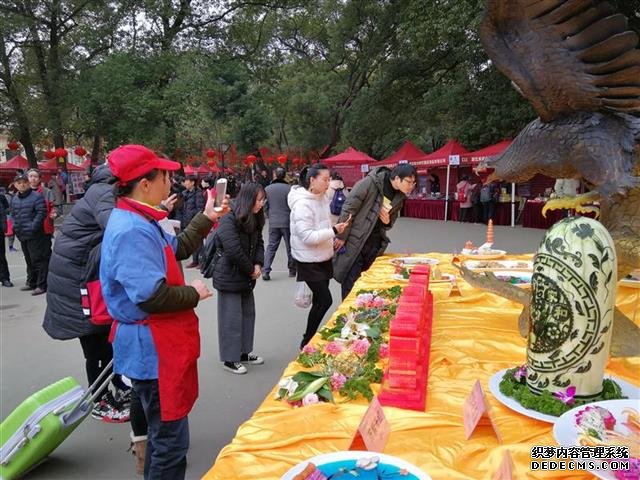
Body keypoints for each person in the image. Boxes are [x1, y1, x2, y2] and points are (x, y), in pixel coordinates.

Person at [100, 144, 228, 480]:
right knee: (170, 442)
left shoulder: (141, 217)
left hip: (157, 343)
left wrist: (207, 218)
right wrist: (194, 293)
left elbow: (176, 249)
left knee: (164, 437)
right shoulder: (131, 228)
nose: (171, 182)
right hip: (153, 347)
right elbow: (151, 297)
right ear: (144, 183)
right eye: (165, 175)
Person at [333, 163, 417, 300]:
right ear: (397, 178)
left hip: (375, 243)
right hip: (356, 240)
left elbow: (390, 222)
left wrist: (387, 221)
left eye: (413, 183)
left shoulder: (400, 197)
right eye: (409, 181)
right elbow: (349, 208)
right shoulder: (370, 183)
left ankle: (364, 315)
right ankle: (347, 317)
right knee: (351, 285)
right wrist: (342, 235)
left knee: (368, 284)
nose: (411, 186)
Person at [289, 164, 350, 348]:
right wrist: (333, 231)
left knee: (319, 300)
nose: (328, 183)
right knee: (325, 299)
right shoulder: (302, 204)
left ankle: (311, 337)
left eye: (329, 179)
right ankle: (307, 339)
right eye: (324, 179)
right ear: (312, 180)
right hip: (308, 260)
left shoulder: (322, 197)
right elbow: (307, 236)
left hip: (323, 256)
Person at [211, 182, 266, 374]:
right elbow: (232, 248)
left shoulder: (255, 217)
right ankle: (229, 358)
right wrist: (251, 269)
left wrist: (258, 264)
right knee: (231, 319)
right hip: (230, 274)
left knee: (247, 315)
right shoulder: (229, 217)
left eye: (263, 200)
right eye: (259, 200)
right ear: (248, 198)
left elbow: (259, 242)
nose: (261, 203)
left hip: (245, 274)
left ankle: (243, 352)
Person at [10, 173, 48, 295]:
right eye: (19, 183)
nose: (22, 185)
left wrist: (33, 226)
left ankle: (42, 285)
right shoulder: (14, 198)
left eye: (24, 182)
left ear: (28, 183)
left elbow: (41, 212)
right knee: (28, 260)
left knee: (38, 260)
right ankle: (31, 282)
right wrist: (15, 227)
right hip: (22, 233)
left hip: (35, 234)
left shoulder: (36, 196)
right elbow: (13, 214)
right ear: (15, 185)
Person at [262, 167, 295, 280]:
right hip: (287, 221)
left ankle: (266, 270)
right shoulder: (289, 189)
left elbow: (265, 206)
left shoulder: (267, 189)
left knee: (271, 246)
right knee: (289, 246)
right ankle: (291, 269)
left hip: (274, 221)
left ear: (275, 175)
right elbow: (293, 206)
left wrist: (270, 214)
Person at [179, 175, 206, 268]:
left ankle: (202, 262)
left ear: (192, 182)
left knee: (199, 242)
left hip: (195, 221)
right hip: (186, 221)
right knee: (192, 242)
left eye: (187, 181)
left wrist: (192, 216)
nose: (185, 183)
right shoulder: (185, 194)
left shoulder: (198, 193)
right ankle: (195, 261)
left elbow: (200, 209)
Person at [0, 191, 13, 287]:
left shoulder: (1, 197)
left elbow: (7, 210)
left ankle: (5, 278)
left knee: (1, 256)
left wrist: (4, 226)